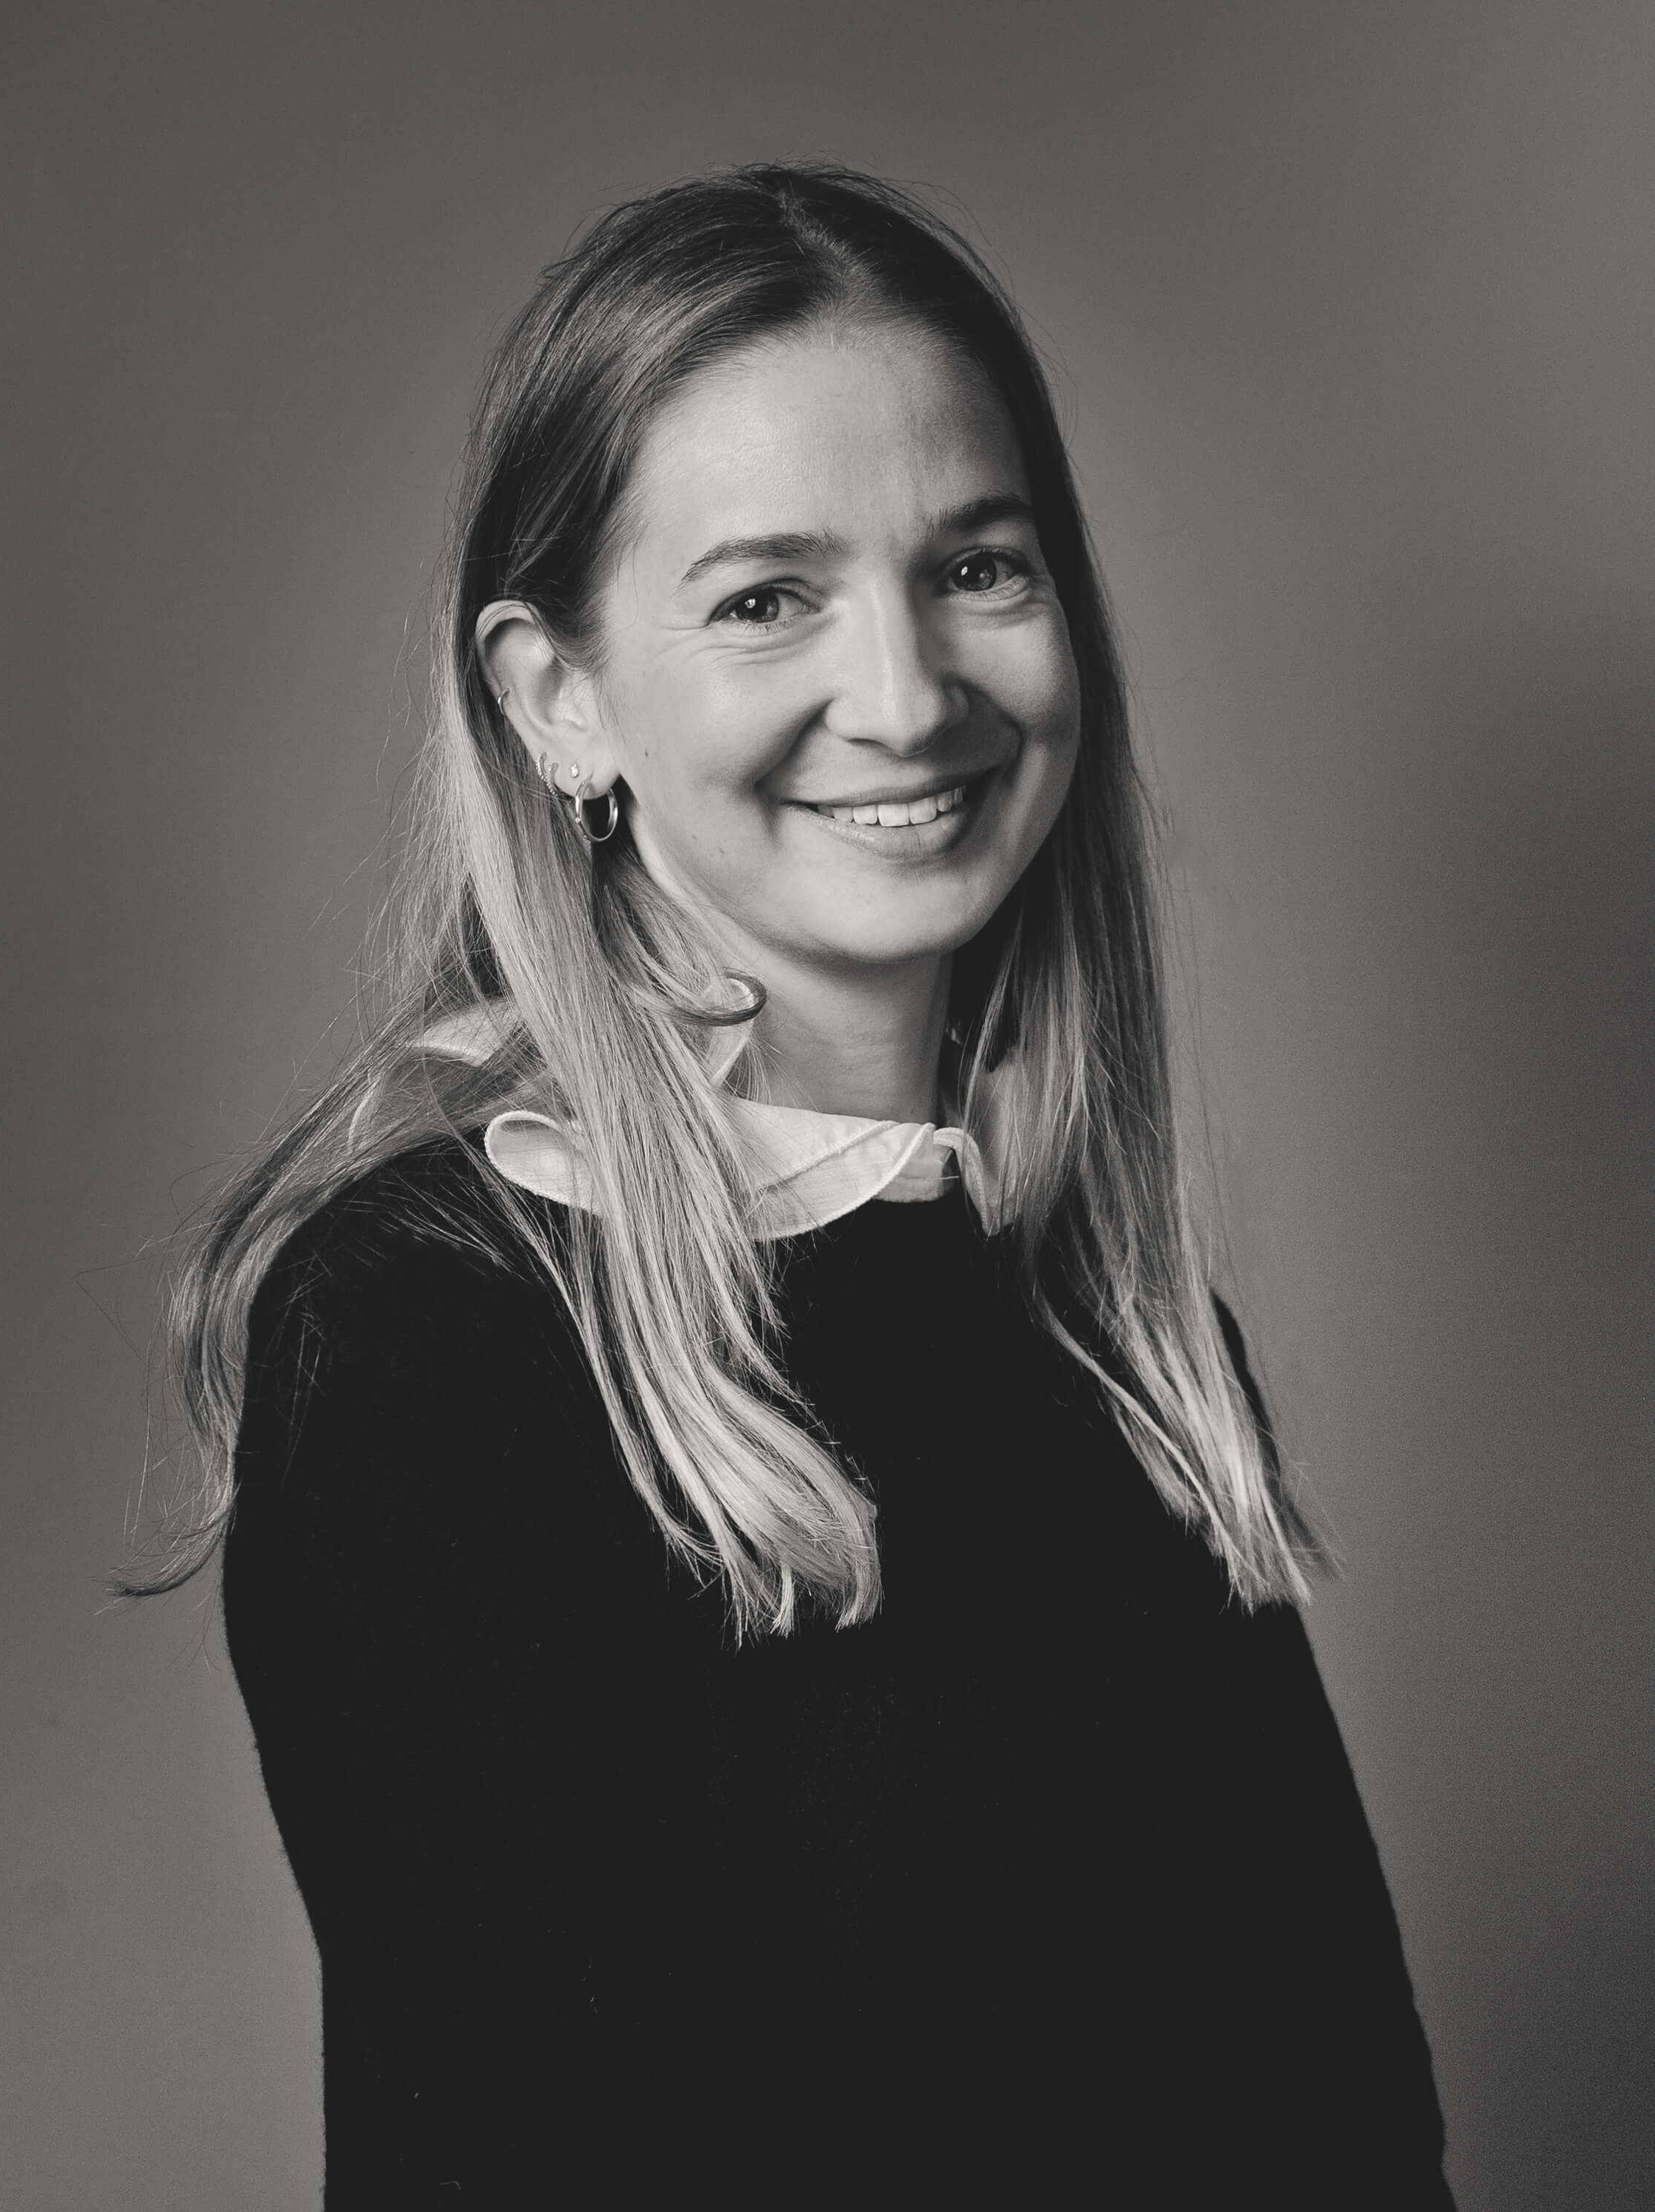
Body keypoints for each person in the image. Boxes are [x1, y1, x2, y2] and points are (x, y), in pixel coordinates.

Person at [142, 164, 1454, 2205]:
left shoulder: (1114, 1329)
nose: (910, 698)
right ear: (557, 698)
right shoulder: (425, 1338)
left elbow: (1348, 2127)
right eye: (767, 597)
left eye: (977, 568)